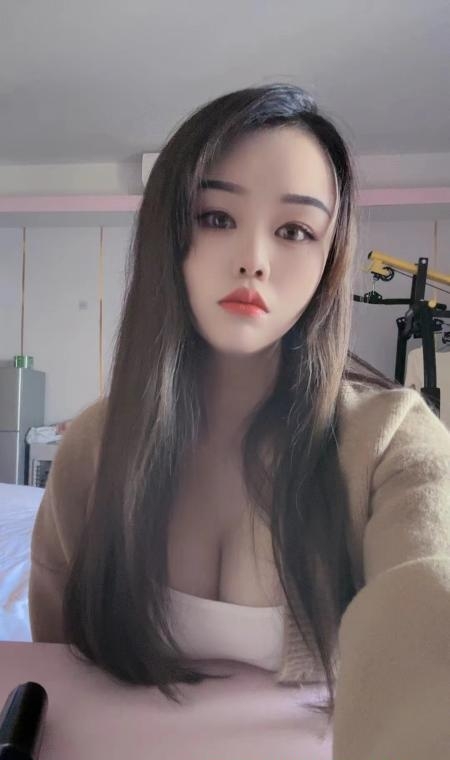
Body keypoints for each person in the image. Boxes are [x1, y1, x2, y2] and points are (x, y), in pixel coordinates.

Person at [28, 83, 450, 760]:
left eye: (295, 230)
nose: (254, 257)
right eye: (217, 217)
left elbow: (429, 591)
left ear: (329, 259)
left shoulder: (394, 440)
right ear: (168, 234)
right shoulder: (98, 442)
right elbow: (58, 653)